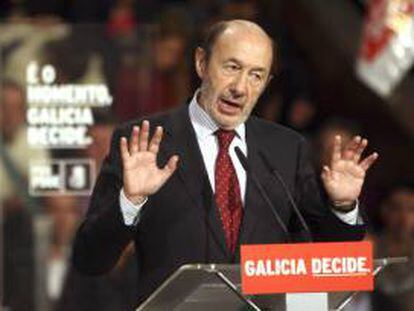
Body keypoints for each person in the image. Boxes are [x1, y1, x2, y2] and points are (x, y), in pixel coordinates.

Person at [72, 20, 378, 307]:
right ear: (201, 63)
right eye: (232, 67)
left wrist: (342, 207)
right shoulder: (146, 141)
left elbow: (332, 254)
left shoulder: (286, 149)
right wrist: (131, 200)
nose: (240, 88)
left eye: (256, 75)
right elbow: (90, 259)